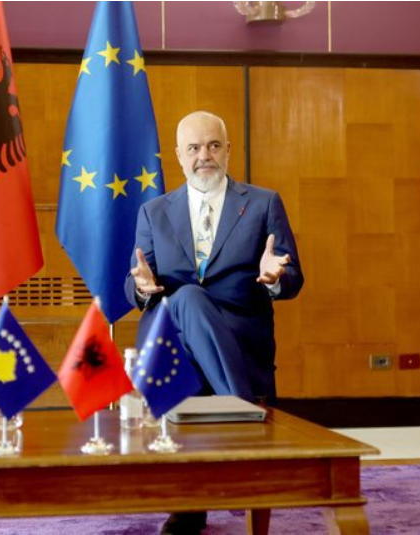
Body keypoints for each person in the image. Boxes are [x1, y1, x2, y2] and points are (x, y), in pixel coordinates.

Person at [124, 112, 303, 533]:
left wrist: (276, 277)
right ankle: (243, 415)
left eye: (213, 146)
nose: (203, 155)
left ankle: (189, 504)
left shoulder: (263, 203)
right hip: (172, 335)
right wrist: (143, 288)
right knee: (186, 298)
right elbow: (135, 283)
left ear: (228, 150)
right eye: (193, 148)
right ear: (178, 156)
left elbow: (294, 278)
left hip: (237, 335)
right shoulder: (154, 211)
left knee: (189, 302)